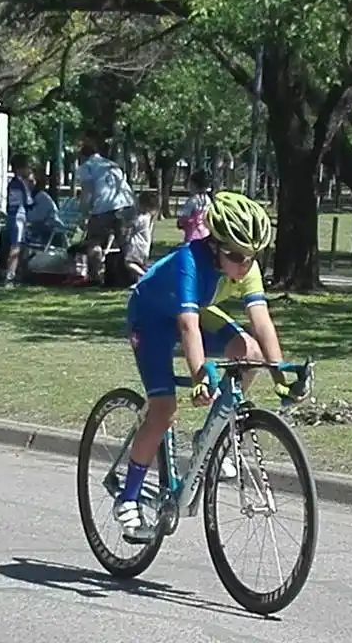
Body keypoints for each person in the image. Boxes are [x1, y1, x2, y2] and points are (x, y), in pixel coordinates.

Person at [116, 191, 306, 540]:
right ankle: (128, 498)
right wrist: (199, 376)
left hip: (194, 312)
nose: (244, 266)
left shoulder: (245, 264)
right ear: (215, 245)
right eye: (236, 256)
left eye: (252, 257)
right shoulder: (190, 261)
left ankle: (211, 433)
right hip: (152, 319)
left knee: (249, 349)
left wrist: (280, 375)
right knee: (164, 410)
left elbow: (262, 322)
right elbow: (188, 326)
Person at [76, 135, 135, 283]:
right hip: (126, 205)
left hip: (103, 208)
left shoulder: (87, 167)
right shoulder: (112, 165)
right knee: (125, 243)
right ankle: (131, 274)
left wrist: (84, 213)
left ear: (83, 156)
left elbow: (87, 191)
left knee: (94, 241)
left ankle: (95, 277)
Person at [3, 154, 35, 288]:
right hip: (18, 217)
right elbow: (28, 202)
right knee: (15, 246)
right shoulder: (19, 184)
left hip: (14, 216)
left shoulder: (15, 183)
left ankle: (18, 272)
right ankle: (10, 275)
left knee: (19, 246)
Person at [122, 191, 160, 283]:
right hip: (145, 246)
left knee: (129, 263)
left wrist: (125, 222)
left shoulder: (142, 218)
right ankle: (140, 281)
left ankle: (145, 276)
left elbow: (132, 225)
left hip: (137, 246)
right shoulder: (149, 218)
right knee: (141, 265)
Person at [176, 170, 213, 243]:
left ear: (195, 185)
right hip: (205, 233)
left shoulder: (192, 201)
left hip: (192, 235)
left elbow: (184, 217)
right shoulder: (208, 199)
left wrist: (180, 222)